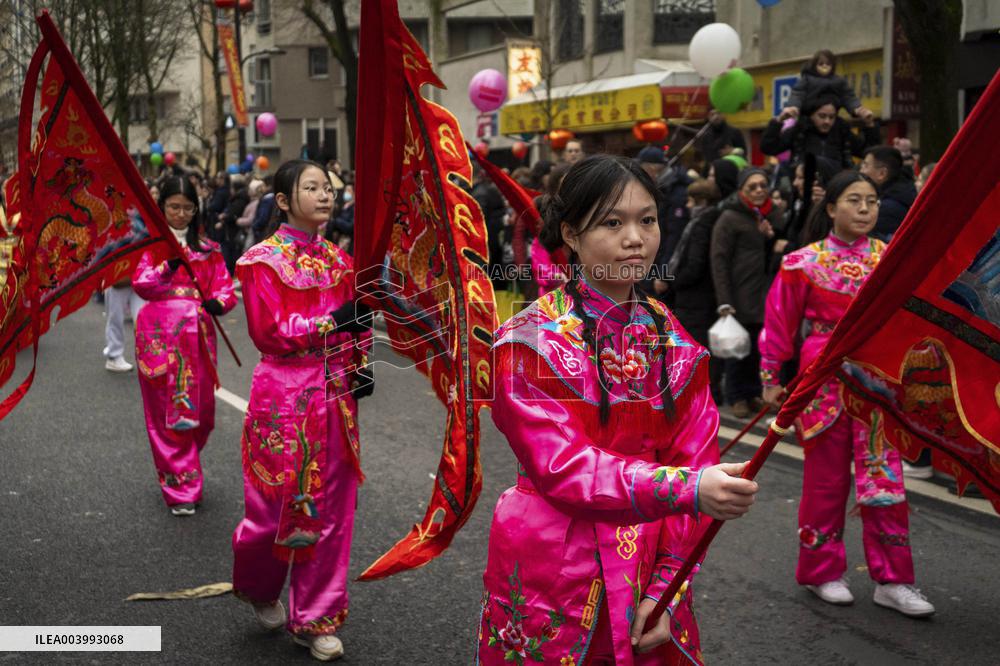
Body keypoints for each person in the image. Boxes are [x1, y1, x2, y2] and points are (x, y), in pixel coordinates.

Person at [477, 155, 759, 666]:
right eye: (613, 222)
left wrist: (668, 585)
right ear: (572, 233)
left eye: (647, 220)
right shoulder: (531, 342)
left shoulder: (670, 336)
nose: (636, 238)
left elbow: (695, 452)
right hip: (555, 551)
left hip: (653, 555)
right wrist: (689, 488)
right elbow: (563, 468)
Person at [759, 171, 935, 618]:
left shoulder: (892, 258)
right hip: (825, 379)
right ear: (831, 208)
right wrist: (770, 377)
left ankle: (893, 579)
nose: (864, 209)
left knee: (885, 481)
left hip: (879, 382)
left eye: (872, 201)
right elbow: (779, 323)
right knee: (826, 481)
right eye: (854, 200)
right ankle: (821, 571)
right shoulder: (802, 262)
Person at [231, 159, 373, 662]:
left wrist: (361, 362)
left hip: (334, 392)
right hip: (284, 392)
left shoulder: (342, 261)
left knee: (331, 509)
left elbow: (356, 321)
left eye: (328, 187)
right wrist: (333, 322)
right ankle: (259, 584)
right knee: (273, 508)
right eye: (311, 187)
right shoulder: (261, 262)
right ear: (286, 200)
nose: (325, 195)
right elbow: (269, 332)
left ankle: (315, 617)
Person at [132, 176, 236, 516]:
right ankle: (181, 488)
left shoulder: (208, 249)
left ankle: (184, 465)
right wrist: (166, 268)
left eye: (187, 207)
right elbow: (140, 284)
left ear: (196, 209)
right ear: (162, 207)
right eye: (174, 207)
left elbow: (224, 288)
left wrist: (219, 303)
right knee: (170, 413)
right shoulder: (149, 247)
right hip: (160, 336)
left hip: (197, 335)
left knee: (202, 412)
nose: (180, 213)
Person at [710, 168, 779, 418]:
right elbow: (719, 261)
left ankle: (752, 394)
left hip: (763, 293)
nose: (759, 190)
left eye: (763, 185)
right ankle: (736, 396)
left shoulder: (769, 216)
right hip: (738, 294)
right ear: (742, 190)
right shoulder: (729, 218)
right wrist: (724, 301)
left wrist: (769, 238)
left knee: (757, 349)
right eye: (753, 187)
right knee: (737, 349)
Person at [668, 178, 724, 403]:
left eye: (692, 200)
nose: (688, 205)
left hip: (695, 298)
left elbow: (694, 264)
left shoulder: (701, 224)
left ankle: (703, 393)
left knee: (695, 347)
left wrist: (674, 281)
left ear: (702, 201)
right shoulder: (713, 220)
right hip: (704, 297)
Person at [762, 95, 879, 169]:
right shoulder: (799, 131)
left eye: (831, 117)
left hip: (834, 192)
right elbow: (768, 148)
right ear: (811, 115)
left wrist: (870, 125)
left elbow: (868, 152)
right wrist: (778, 121)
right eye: (822, 116)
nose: (827, 121)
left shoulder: (843, 132)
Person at [780, 50, 873, 122]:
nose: (824, 66)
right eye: (821, 64)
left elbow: (848, 96)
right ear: (814, 65)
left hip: (831, 118)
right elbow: (798, 94)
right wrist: (793, 107)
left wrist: (857, 109)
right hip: (809, 118)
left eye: (828, 64)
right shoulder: (807, 79)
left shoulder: (839, 81)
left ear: (833, 66)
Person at [860, 146, 917, 243]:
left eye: (865, 166)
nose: (861, 171)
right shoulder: (901, 192)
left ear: (882, 173)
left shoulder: (887, 208)